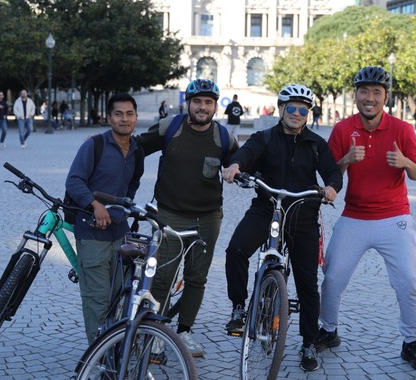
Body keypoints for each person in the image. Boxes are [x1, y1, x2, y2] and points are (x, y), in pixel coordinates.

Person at [222, 83, 342, 372]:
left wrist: (331, 187)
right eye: (292, 108)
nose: (297, 114)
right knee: (236, 249)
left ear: (308, 113)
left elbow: (332, 172)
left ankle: (308, 342)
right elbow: (245, 154)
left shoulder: (316, 143)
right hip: (267, 207)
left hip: (302, 212)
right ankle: (239, 307)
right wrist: (235, 166)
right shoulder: (264, 138)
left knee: (307, 283)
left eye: (303, 109)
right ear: (281, 109)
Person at [318, 66, 416, 372]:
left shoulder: (402, 129)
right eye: (364, 92)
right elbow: (330, 176)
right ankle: (328, 330)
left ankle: (411, 343)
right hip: (354, 216)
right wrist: (345, 161)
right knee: (333, 278)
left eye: (376, 93)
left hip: (395, 217)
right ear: (356, 95)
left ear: (386, 97)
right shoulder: (343, 129)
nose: (369, 98)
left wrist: (405, 162)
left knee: (408, 280)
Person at [135, 78, 238, 357]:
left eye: (208, 102)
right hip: (170, 214)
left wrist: (239, 170)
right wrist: (103, 145)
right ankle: (156, 331)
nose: (202, 107)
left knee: (197, 278)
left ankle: (184, 331)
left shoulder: (224, 137)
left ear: (215, 106)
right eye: (197, 102)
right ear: (188, 103)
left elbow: (243, 162)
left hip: (208, 219)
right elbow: (135, 146)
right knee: (163, 277)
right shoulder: (171, 127)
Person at [65, 93, 144, 344]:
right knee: (97, 298)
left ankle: (114, 349)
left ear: (136, 117)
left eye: (129, 113)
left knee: (119, 296)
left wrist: (122, 210)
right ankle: (98, 359)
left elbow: (132, 184)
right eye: (118, 114)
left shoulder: (137, 151)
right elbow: (74, 181)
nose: (124, 119)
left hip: (119, 234)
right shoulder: (94, 145)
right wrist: (95, 205)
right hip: (91, 234)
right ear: (109, 118)